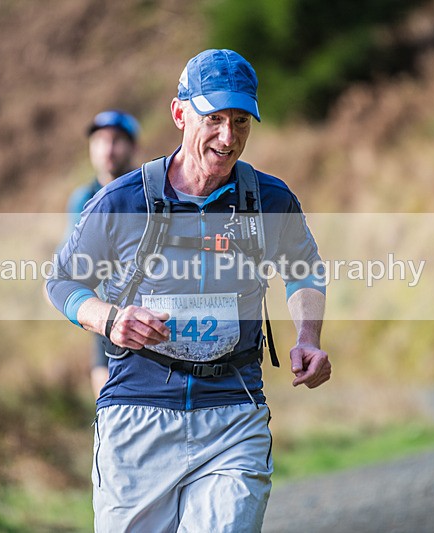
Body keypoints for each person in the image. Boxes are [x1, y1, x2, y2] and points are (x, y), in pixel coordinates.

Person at [47, 49, 331, 532]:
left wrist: (308, 336)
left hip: (233, 413)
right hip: (137, 413)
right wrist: (110, 319)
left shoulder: (270, 199)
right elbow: (62, 282)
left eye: (241, 121)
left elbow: (304, 269)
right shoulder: (121, 200)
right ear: (180, 113)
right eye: (214, 119)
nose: (228, 137)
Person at [64, 110, 140, 398]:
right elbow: (70, 256)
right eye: (100, 141)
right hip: (104, 316)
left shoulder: (148, 191)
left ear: (133, 147)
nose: (108, 149)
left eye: (117, 140)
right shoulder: (82, 199)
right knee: (106, 404)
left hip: (148, 310)